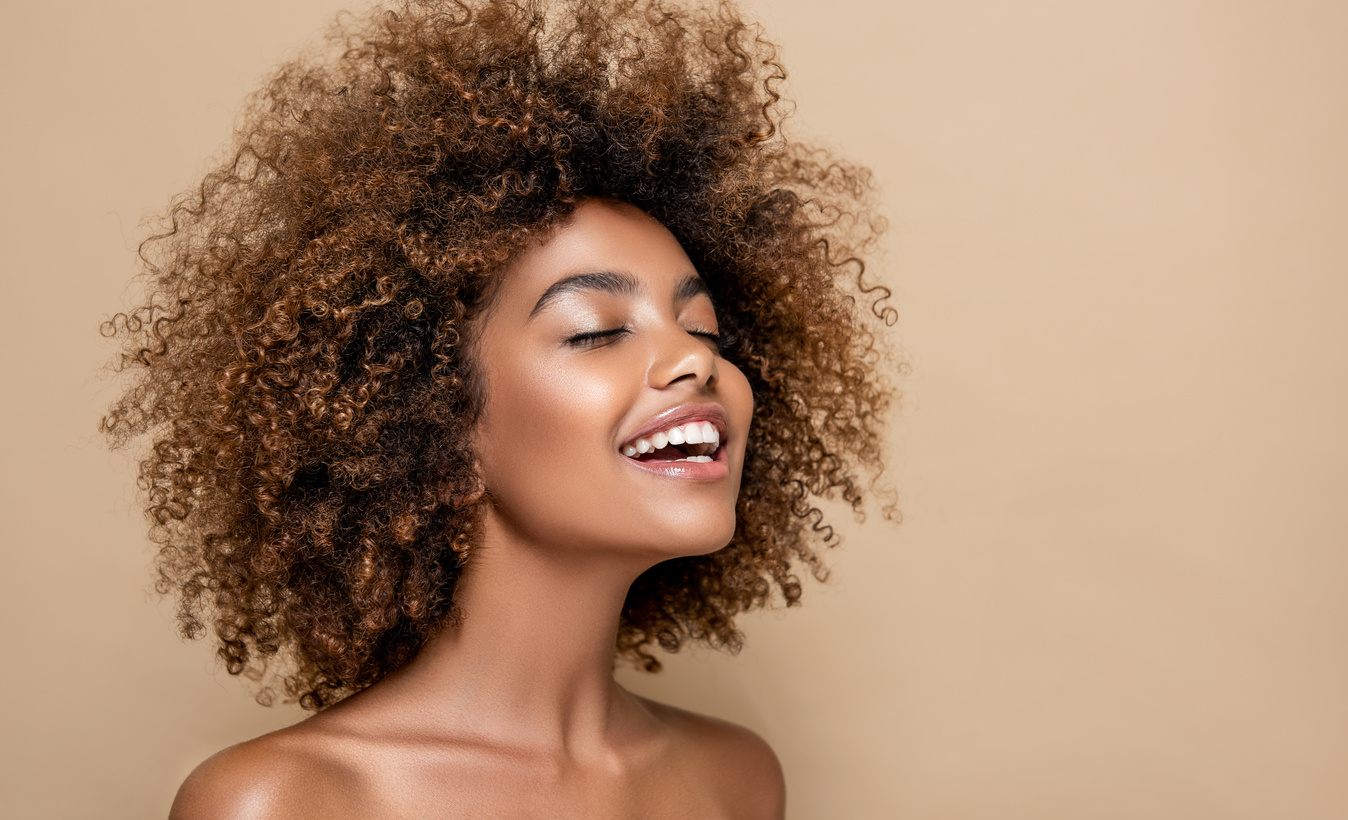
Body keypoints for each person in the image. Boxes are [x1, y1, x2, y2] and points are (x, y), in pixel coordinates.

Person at [102, 0, 895, 815]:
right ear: (436, 423)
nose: (697, 359)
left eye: (705, 329)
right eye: (596, 331)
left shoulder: (737, 781)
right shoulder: (289, 802)